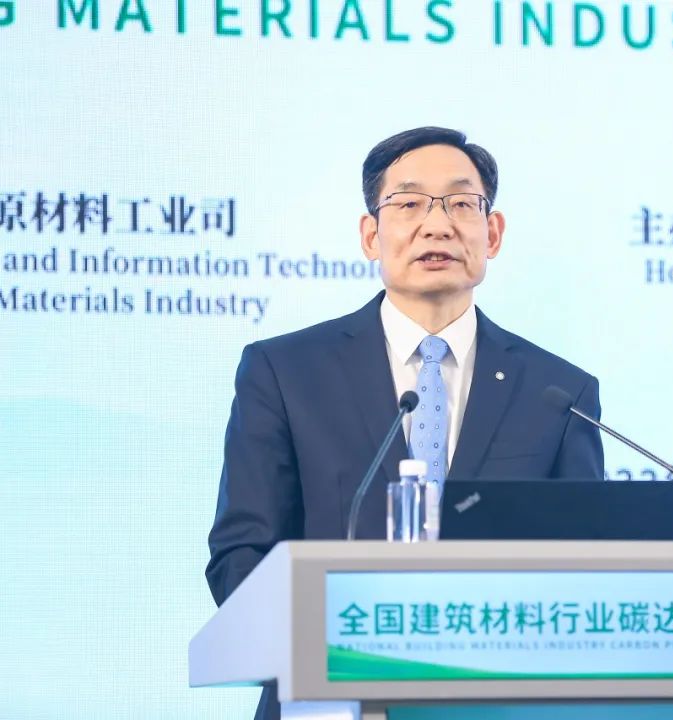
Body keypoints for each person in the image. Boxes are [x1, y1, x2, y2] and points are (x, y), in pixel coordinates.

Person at [205, 127, 604, 720]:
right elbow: (242, 554)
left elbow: (589, 569)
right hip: (330, 700)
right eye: (409, 203)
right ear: (371, 235)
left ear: (493, 234)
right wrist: (339, 649)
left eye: (461, 204)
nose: (436, 225)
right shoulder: (286, 371)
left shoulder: (558, 391)